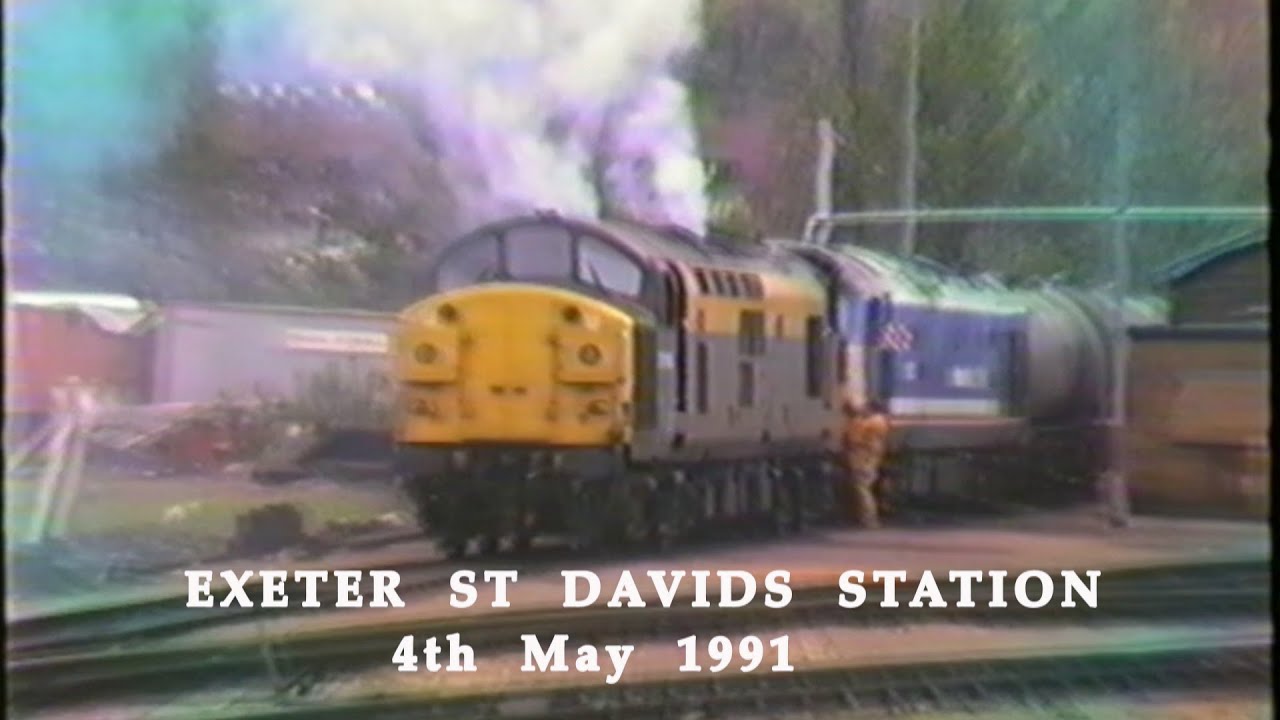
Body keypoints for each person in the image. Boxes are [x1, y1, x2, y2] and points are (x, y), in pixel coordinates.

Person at [842, 400, 890, 528]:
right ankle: (867, 517)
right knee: (864, 487)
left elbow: (854, 438)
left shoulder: (873, 422)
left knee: (862, 487)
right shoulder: (880, 421)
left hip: (865, 457)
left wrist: (854, 417)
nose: (863, 410)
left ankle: (869, 519)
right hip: (870, 456)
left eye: (865, 408)